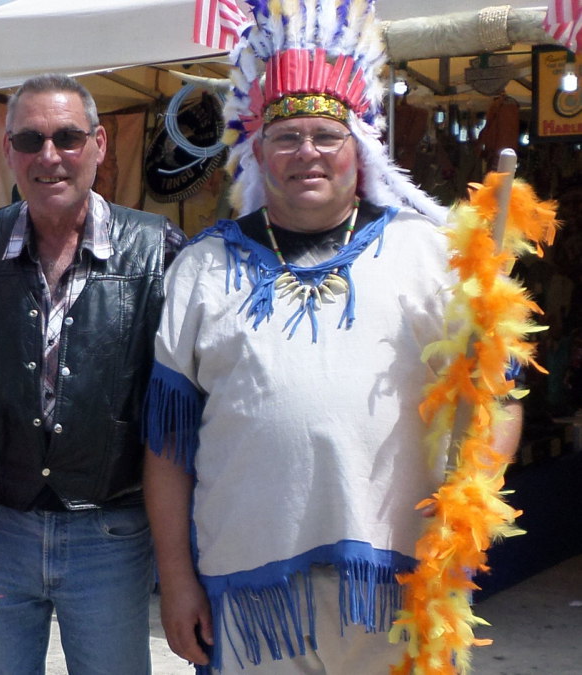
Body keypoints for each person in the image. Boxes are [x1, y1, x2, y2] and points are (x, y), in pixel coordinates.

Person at [142, 2, 523, 673]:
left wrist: (467, 518)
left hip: (400, 588)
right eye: (287, 136)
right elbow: (168, 450)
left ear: (360, 148)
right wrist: (175, 580)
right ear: (258, 151)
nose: (307, 153)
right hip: (250, 599)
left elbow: (499, 399)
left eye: (326, 135)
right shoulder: (201, 267)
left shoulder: (432, 254)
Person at [0, 73, 185, 674]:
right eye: (30, 140)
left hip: (111, 533)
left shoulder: (156, 248)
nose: (49, 156)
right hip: (0, 528)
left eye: (67, 138)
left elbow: (184, 399)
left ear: (99, 145)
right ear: (8, 151)